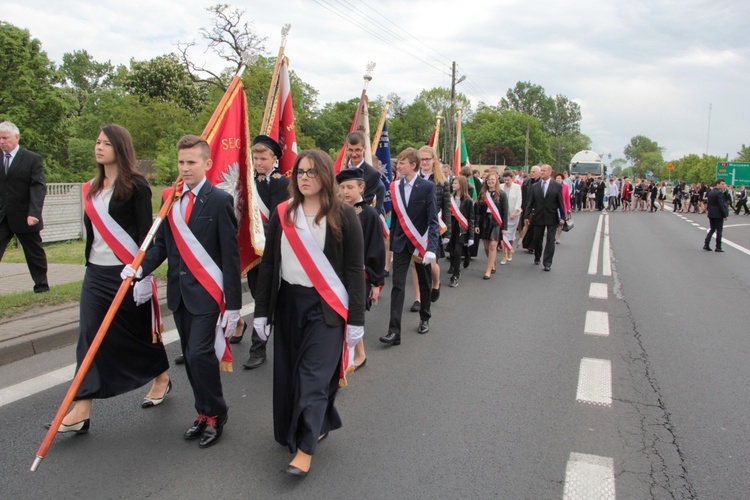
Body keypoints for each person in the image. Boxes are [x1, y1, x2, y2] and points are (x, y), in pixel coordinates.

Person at [45, 124, 169, 435]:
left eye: (106, 143)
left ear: (120, 148)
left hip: (126, 273)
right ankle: (82, 408)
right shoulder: (92, 188)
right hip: (95, 274)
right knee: (89, 336)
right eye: (97, 142)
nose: (99, 147)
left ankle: (161, 377)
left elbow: (146, 237)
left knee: (137, 334)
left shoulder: (137, 188)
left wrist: (143, 276)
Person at [253, 149, 365, 477]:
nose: (304, 177)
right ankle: (320, 420)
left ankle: (305, 449)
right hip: (289, 303)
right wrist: (261, 312)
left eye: (312, 172)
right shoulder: (283, 212)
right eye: (300, 172)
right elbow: (270, 264)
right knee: (290, 374)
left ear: (326, 177)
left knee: (312, 378)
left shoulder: (344, 216)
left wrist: (356, 320)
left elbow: (355, 271)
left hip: (327, 308)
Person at [127, 135, 242, 448]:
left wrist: (234, 304)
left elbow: (231, 255)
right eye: (181, 162)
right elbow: (163, 245)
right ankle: (202, 412)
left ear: (207, 163)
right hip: (179, 294)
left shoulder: (219, 200)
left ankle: (217, 413)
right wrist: (139, 268)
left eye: (192, 162)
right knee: (190, 359)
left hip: (207, 294)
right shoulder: (170, 198)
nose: (185, 168)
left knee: (199, 353)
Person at [240, 135, 291, 370]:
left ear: (274, 159)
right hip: (253, 251)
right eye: (256, 158)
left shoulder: (281, 184)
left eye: (263, 158)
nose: (258, 163)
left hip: (273, 250)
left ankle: (258, 348)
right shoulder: (248, 181)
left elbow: (277, 219)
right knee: (259, 296)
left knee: (266, 299)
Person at [380, 148, 439, 345]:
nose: (399, 166)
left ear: (412, 165)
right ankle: (394, 331)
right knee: (397, 286)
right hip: (401, 243)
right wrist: (392, 243)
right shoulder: (394, 186)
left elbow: (433, 221)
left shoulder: (427, 187)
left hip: (420, 243)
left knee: (424, 283)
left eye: (402, 163)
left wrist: (431, 248)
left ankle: (425, 317)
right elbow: (396, 219)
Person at [336, 167, 384, 371]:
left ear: (361, 187)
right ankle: (354, 353)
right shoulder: (335, 211)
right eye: (342, 187)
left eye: (350, 187)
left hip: (360, 273)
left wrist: (376, 281)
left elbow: (376, 248)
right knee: (342, 313)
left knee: (352, 312)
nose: (345, 191)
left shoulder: (369, 214)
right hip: (338, 272)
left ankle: (359, 354)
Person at [0, 121, 49, 293]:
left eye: (5, 138)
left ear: (16, 137)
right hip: (2, 216)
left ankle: (42, 286)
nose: (1, 141)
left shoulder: (31, 159)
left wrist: (34, 212)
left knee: (34, 252)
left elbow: (38, 186)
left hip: (25, 215)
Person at [411, 145, 450, 309]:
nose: (424, 162)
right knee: (415, 262)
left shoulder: (442, 182)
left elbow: (446, 206)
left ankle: (436, 283)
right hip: (415, 226)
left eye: (427, 159)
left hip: (434, 226)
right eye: (422, 159)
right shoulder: (412, 178)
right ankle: (418, 298)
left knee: (431, 262)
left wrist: (447, 230)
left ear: (433, 160)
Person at [524, 165, 566, 272]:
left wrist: (563, 216)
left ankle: (547, 262)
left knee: (550, 240)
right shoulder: (535, 186)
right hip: (538, 216)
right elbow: (530, 202)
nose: (542, 172)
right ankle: (537, 256)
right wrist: (527, 216)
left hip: (552, 217)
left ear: (550, 172)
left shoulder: (556, 186)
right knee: (537, 238)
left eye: (544, 171)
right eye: (541, 171)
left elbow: (560, 202)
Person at [474, 171, 507, 279]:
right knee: (487, 247)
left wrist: (505, 228)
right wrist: (477, 225)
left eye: (492, 179)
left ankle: (488, 271)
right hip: (484, 222)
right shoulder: (482, 194)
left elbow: (504, 212)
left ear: (496, 180)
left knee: (493, 246)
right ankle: (492, 263)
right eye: (488, 180)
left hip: (496, 222)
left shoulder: (502, 194)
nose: (490, 181)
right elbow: (478, 211)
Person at [344, 131, 385, 214]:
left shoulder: (373, 174)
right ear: (346, 149)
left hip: (358, 219)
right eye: (350, 150)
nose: (354, 154)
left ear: (364, 148)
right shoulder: (341, 169)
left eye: (358, 150)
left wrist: (349, 215)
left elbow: (365, 202)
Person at [448, 175, 474, 286]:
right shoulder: (450, 198)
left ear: (461, 185)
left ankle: (455, 275)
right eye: (453, 183)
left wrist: (471, 236)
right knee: (451, 250)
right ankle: (457, 262)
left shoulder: (468, 201)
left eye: (455, 183)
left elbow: (471, 218)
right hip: (451, 226)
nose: (453, 185)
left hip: (462, 228)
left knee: (458, 250)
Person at [499, 170, 522, 264]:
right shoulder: (500, 187)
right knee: (503, 235)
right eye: (505, 180)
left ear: (512, 179)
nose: (506, 182)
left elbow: (519, 200)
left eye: (508, 180)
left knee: (511, 235)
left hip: (513, 214)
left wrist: (515, 211)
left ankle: (509, 251)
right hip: (502, 214)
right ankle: (504, 255)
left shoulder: (517, 187)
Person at [703, 179, 729, 252]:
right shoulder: (719, 193)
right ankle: (718, 246)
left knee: (712, 229)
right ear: (717, 184)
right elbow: (721, 205)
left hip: (711, 212)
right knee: (719, 231)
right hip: (718, 214)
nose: (723, 185)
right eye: (722, 184)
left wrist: (724, 192)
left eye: (724, 184)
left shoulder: (711, 192)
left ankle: (706, 244)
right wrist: (725, 215)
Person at [555, 173, 572, 244]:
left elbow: (567, 198)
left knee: (561, 223)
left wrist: (568, 208)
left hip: (562, 207)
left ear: (562, 179)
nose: (558, 179)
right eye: (557, 178)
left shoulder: (565, 187)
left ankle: (558, 237)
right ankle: (552, 236)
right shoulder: (553, 186)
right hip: (554, 206)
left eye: (559, 178)